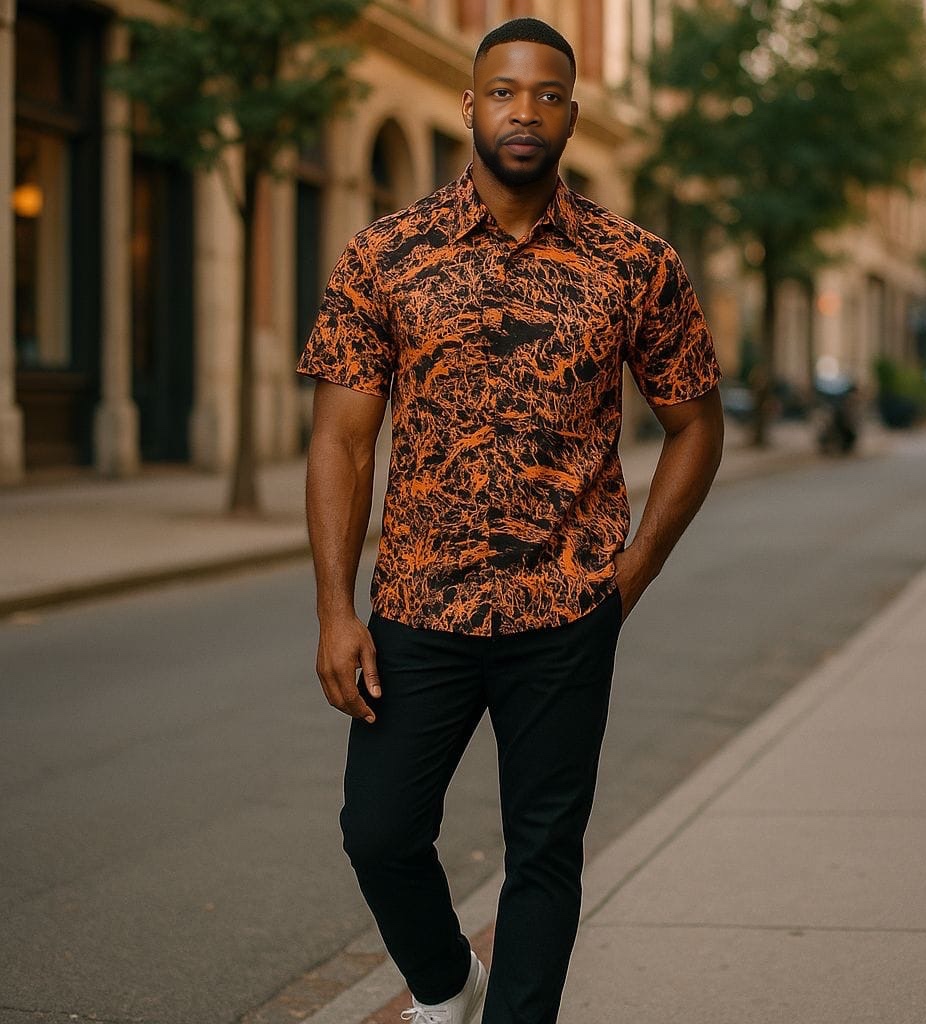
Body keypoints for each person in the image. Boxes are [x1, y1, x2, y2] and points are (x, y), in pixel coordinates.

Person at [298, 17, 724, 1024]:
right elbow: (340, 443)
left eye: (544, 95)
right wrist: (333, 610)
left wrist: (628, 576)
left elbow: (695, 425)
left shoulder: (636, 262)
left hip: (566, 611)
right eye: (503, 92)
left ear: (572, 116)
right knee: (379, 830)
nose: (522, 112)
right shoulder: (387, 254)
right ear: (469, 105)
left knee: (544, 852)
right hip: (415, 605)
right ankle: (447, 989)